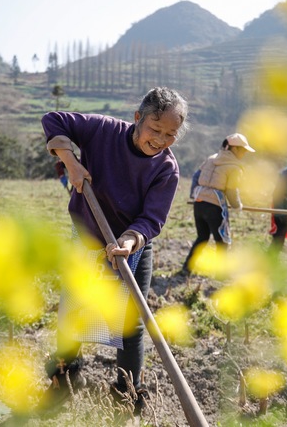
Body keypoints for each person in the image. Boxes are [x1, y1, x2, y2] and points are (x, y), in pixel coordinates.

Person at [40, 86, 188, 414]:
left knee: (130, 323)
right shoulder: (104, 131)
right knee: (71, 315)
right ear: (137, 119)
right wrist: (71, 163)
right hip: (89, 240)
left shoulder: (166, 169)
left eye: (170, 134)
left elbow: (152, 218)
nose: (161, 139)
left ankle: (126, 393)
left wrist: (130, 241)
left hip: (131, 247)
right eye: (155, 129)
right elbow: (54, 120)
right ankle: (63, 381)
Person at [182, 133, 254, 274]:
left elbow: (196, 176)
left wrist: (194, 193)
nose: (244, 154)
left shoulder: (211, 159)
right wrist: (237, 205)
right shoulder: (235, 167)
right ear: (234, 149)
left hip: (199, 203)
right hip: (214, 206)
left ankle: (187, 268)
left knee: (202, 237)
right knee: (222, 242)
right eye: (243, 150)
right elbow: (232, 190)